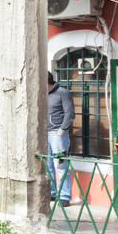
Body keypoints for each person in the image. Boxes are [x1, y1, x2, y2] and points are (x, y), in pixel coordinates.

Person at [47, 72, 75, 205]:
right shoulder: (41, 93)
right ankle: (51, 193)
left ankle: (64, 196)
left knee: (61, 164)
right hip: (43, 135)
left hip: (58, 136)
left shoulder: (62, 93)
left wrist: (62, 129)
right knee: (48, 165)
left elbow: (69, 113)